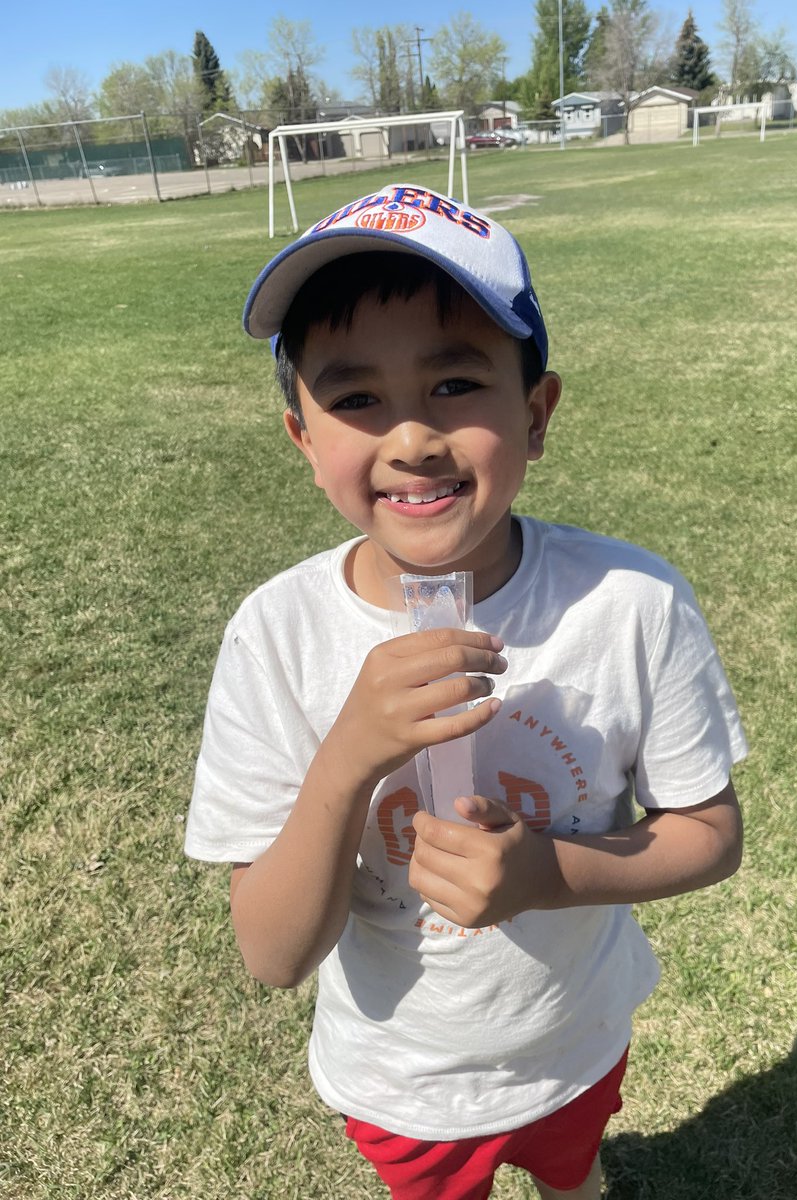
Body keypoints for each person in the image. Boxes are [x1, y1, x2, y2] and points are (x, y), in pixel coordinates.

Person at [185, 181, 747, 1200]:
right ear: (303, 441)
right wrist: (352, 749)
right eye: (355, 397)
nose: (410, 439)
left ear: (536, 414)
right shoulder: (276, 636)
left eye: (454, 383)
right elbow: (271, 953)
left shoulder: (632, 603)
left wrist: (546, 873)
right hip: (404, 1078)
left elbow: (709, 833)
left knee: (575, 1176)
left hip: (574, 1042)